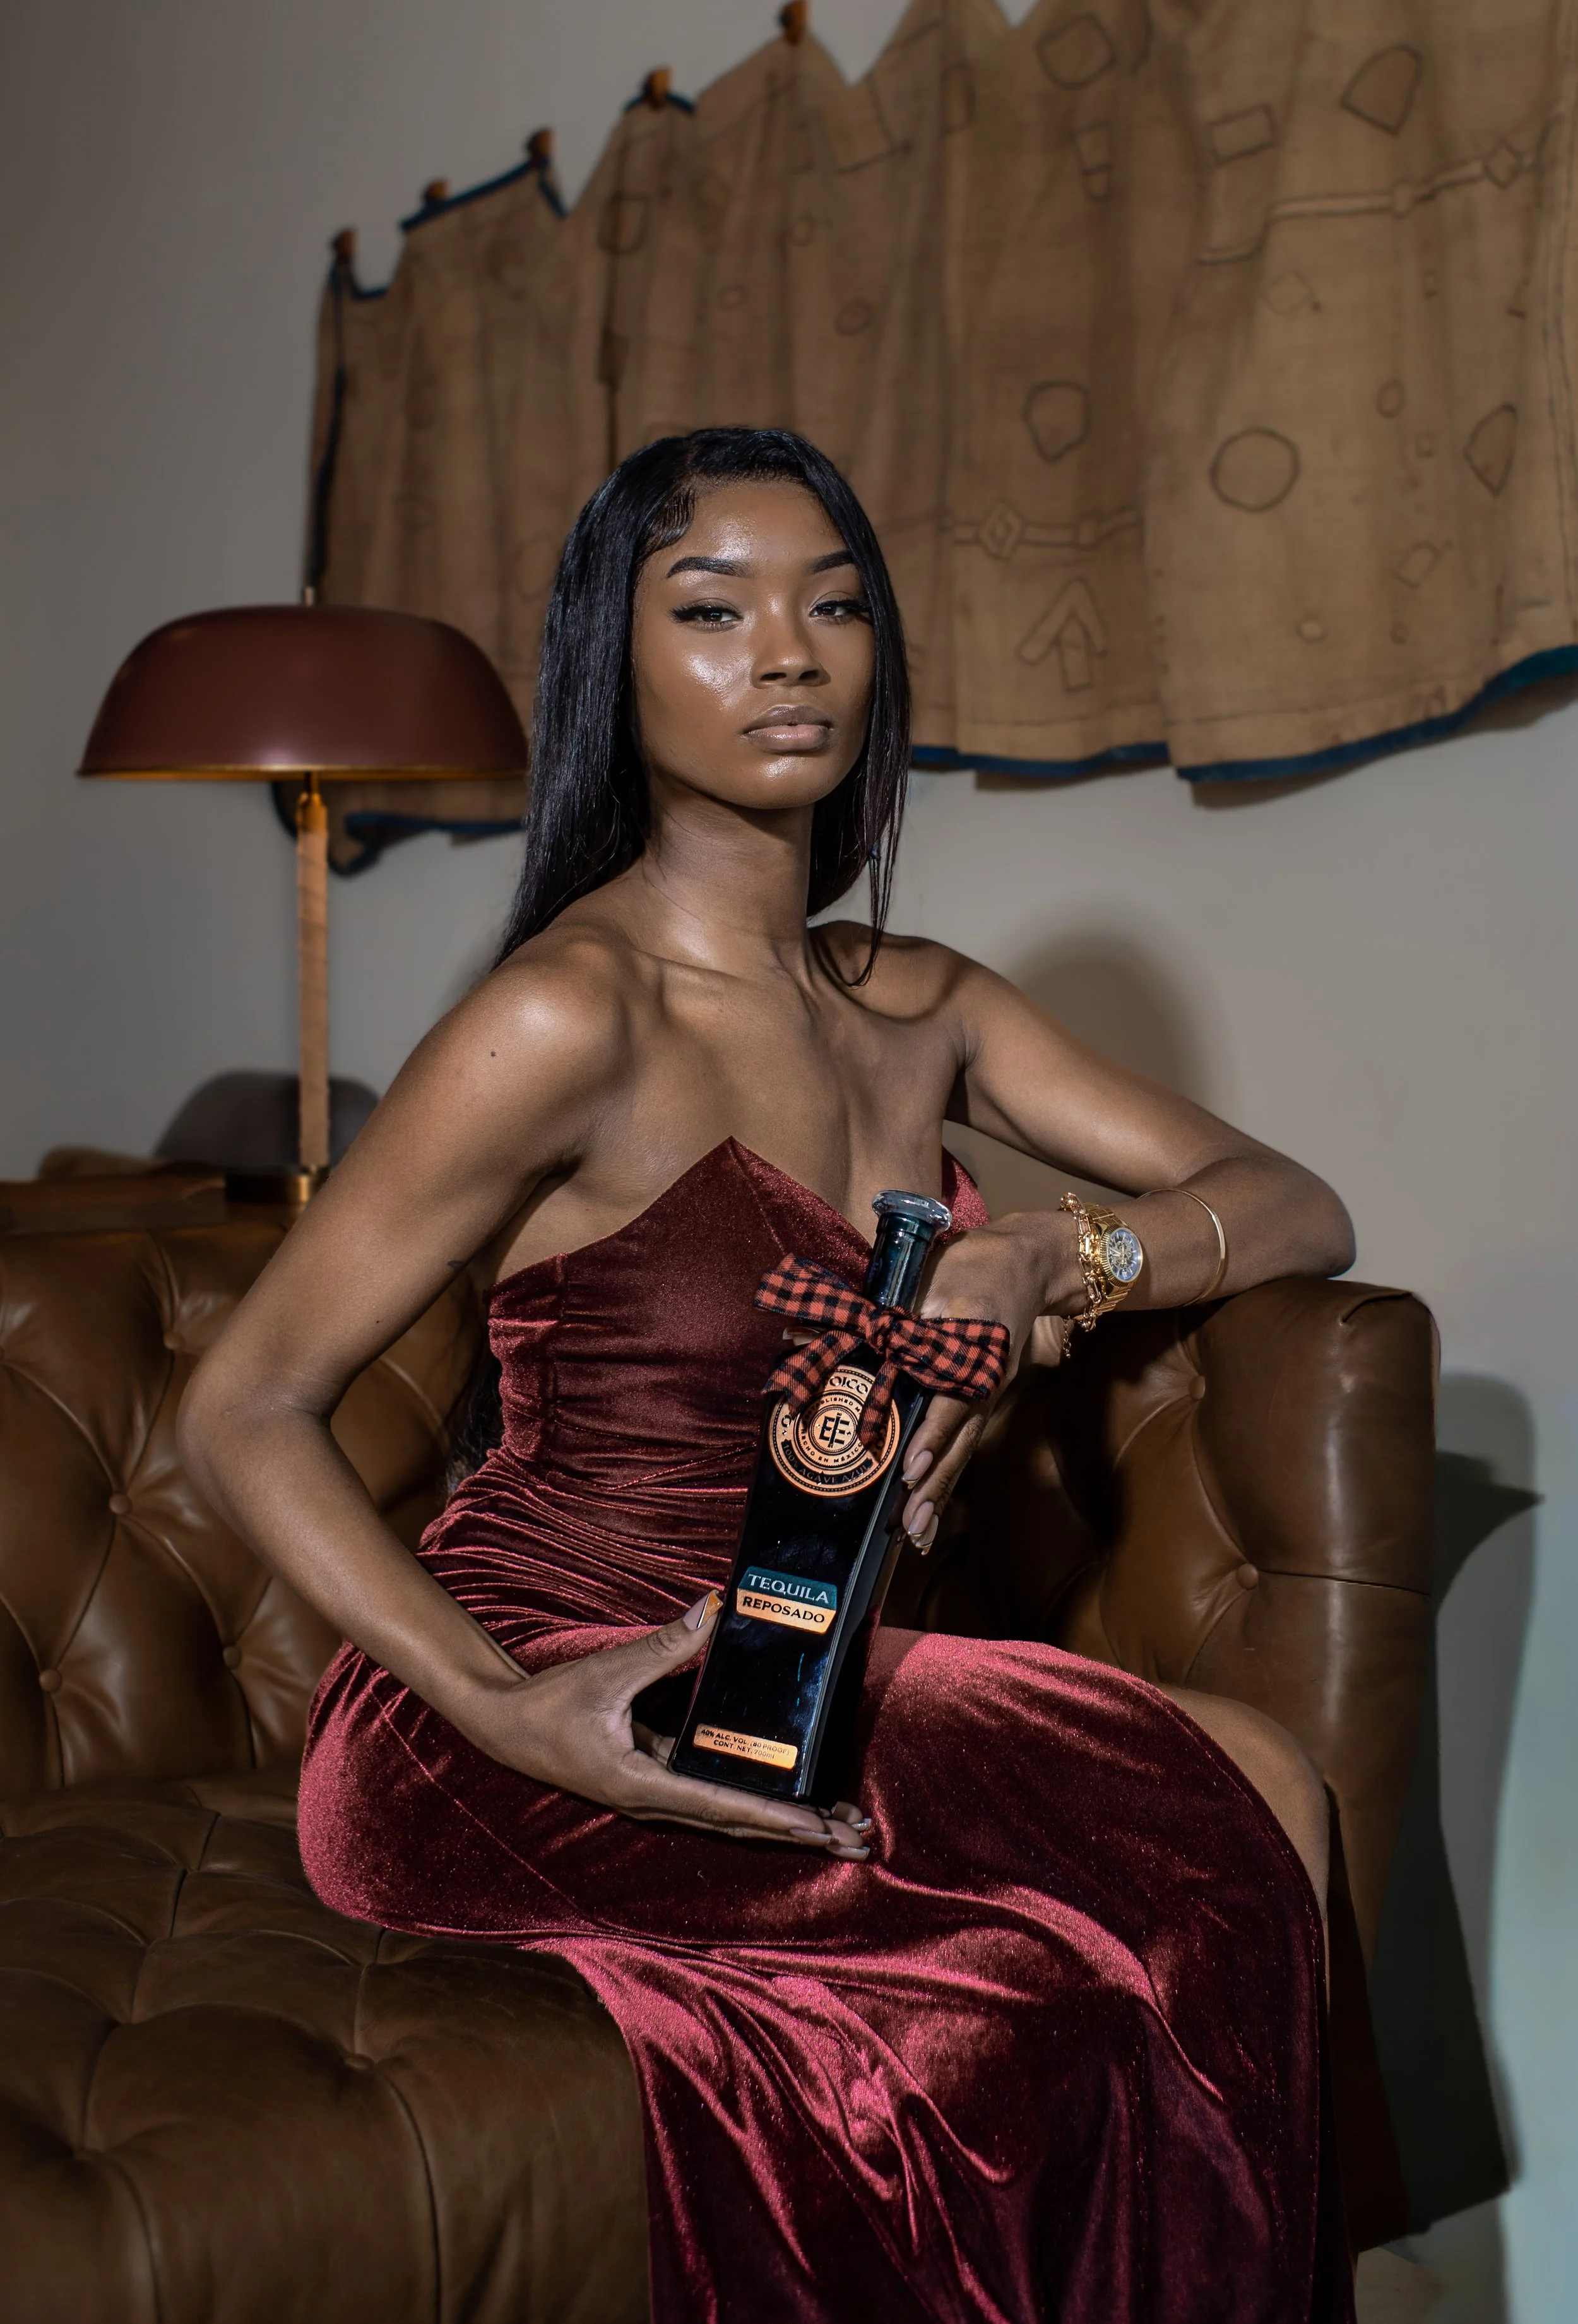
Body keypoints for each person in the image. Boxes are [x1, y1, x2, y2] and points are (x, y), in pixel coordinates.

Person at [181, 427, 1358, 2323]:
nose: (789, 653)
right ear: (618, 666)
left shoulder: (925, 1005)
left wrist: (1041, 1254)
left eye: (833, 605)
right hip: (564, 1678)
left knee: (1253, 1790)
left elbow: (1294, 1206)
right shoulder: (569, 1013)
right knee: (1100, 1923)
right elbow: (242, 1404)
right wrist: (499, 1709)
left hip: (806, 1664)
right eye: (714, 610)